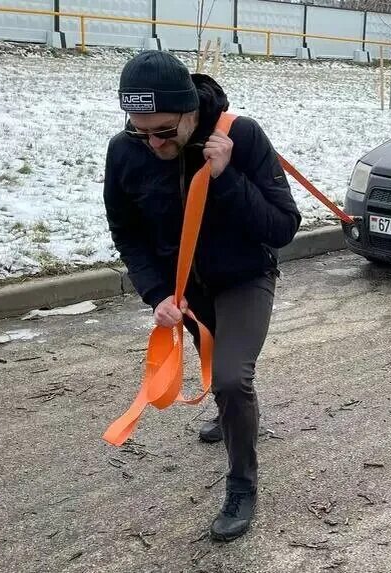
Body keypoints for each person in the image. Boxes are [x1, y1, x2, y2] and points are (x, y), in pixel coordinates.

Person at [103, 50, 300, 541]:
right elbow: (127, 232)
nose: (152, 144)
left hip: (244, 276)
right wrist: (156, 295)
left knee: (232, 378)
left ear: (191, 112)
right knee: (213, 364)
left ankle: (242, 484)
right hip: (184, 291)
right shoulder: (124, 152)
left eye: (165, 131)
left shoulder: (241, 136)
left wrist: (226, 178)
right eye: (139, 130)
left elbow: (283, 228)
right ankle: (229, 414)